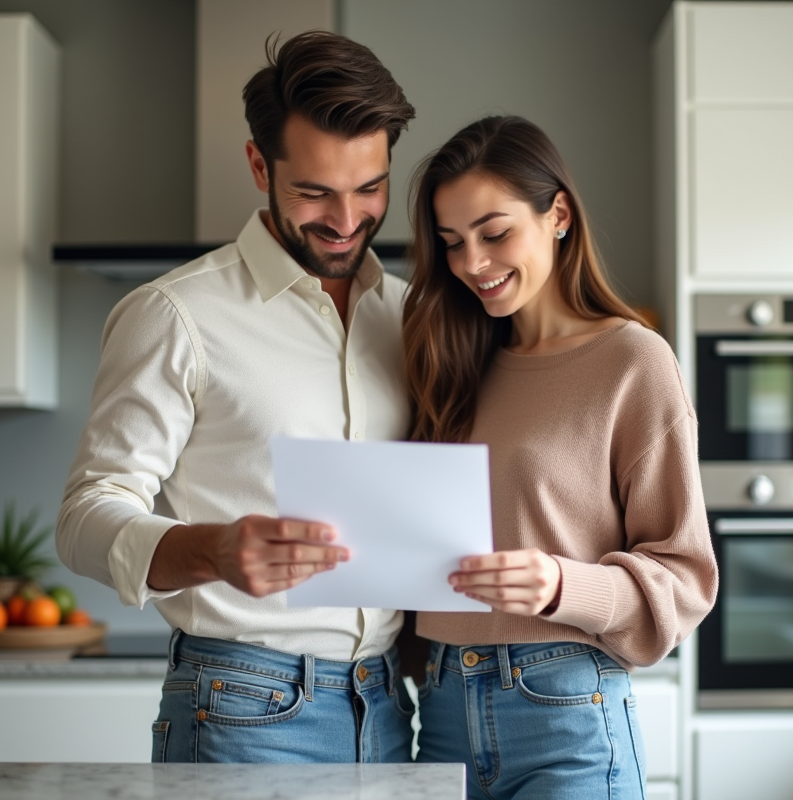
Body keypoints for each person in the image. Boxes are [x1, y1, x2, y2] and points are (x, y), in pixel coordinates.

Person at [56, 31, 417, 764]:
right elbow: (85, 517)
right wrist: (213, 550)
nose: (347, 221)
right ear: (260, 165)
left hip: (387, 706)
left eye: (369, 188)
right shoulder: (175, 314)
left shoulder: (413, 318)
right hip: (242, 707)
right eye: (314, 192)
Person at [401, 116, 719, 799]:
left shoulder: (633, 360)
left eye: (495, 232)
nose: (473, 264)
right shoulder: (452, 360)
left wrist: (558, 585)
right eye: (453, 243)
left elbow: (686, 578)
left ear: (559, 214)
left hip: (567, 709)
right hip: (443, 706)